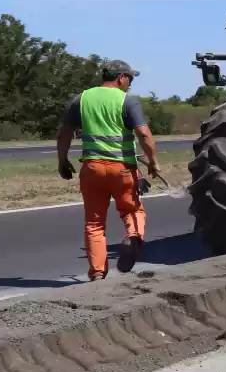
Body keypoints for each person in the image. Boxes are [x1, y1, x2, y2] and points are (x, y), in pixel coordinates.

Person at [56, 60, 161, 281]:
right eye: (129, 79)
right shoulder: (127, 101)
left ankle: (96, 273)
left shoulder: (82, 99)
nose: (130, 84)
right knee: (133, 211)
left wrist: (62, 160)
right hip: (122, 170)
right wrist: (153, 161)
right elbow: (143, 134)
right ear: (121, 77)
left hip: (92, 169)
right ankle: (132, 237)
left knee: (94, 223)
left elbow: (64, 133)